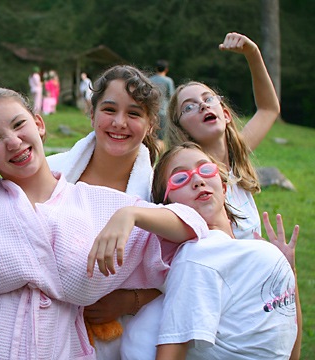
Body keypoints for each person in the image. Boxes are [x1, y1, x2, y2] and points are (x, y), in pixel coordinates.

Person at [0, 88, 209, 359]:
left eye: (18, 125)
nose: (13, 142)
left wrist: (131, 215)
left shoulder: (93, 203)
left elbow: (193, 227)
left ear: (39, 124)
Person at [90, 142, 301, 359]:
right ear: (167, 204)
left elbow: (287, 330)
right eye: (180, 178)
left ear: (224, 186)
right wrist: (130, 214)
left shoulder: (252, 249)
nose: (198, 180)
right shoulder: (198, 256)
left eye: (206, 169)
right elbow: (172, 351)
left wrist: (288, 270)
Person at [48, 64, 162, 359]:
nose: (119, 122)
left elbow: (189, 268)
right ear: (92, 113)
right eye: (109, 110)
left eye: (134, 113)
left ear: (150, 124)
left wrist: (130, 301)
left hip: (116, 341)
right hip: (44, 329)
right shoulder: (51, 171)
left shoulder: (159, 192)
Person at [165, 32, 281, 240]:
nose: (202, 105)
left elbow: (268, 109)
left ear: (225, 114)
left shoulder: (236, 158)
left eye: (208, 98)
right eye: (189, 107)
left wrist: (252, 53)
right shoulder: (193, 182)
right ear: (181, 130)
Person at [149, 59, 175, 142]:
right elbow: (171, 97)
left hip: (151, 110)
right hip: (163, 111)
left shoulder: (149, 80)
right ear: (166, 69)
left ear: (156, 68)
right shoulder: (168, 81)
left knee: (151, 135)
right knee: (161, 138)